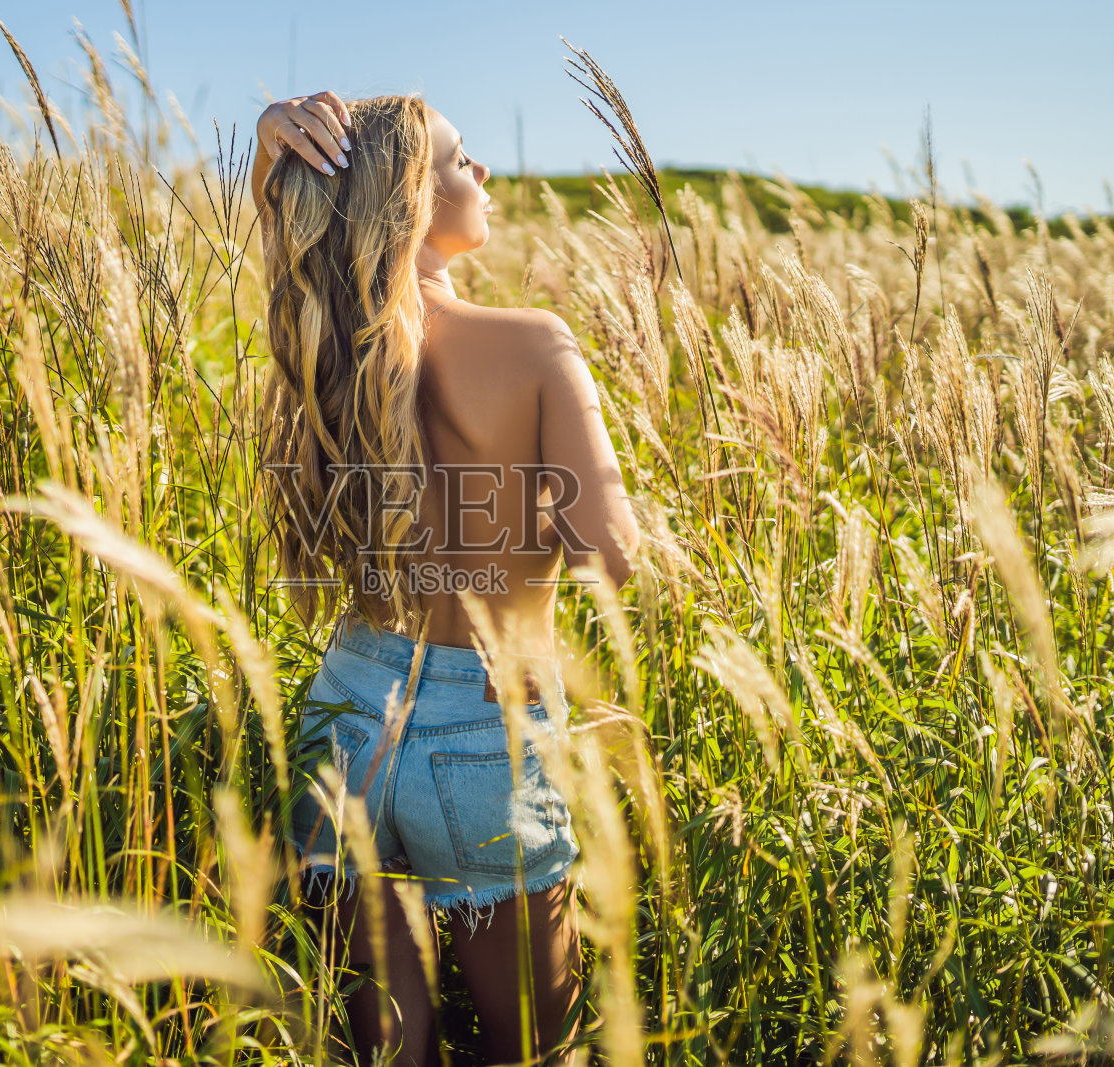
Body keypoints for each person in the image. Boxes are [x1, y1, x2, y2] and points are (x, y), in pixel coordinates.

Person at [251, 90, 640, 1066]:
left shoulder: (322, 338)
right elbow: (611, 555)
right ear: (412, 201)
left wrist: (271, 147)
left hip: (343, 708)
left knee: (385, 1046)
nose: (487, 177)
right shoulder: (536, 343)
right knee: (529, 1050)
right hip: (485, 728)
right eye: (465, 163)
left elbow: (288, 228)